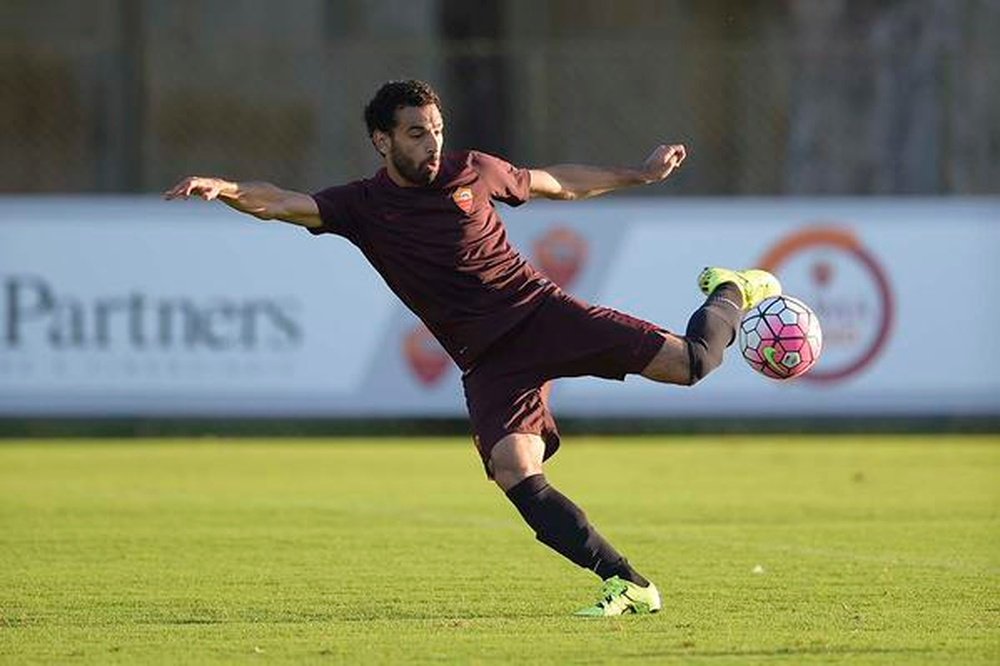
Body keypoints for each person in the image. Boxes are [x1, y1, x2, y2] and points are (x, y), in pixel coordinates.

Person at [164, 79, 780, 617]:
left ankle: (733, 287)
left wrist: (638, 174)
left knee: (692, 365)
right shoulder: (363, 206)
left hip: (542, 315)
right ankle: (630, 585)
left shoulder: (473, 171)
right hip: (488, 361)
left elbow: (556, 183)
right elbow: (280, 202)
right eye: (415, 134)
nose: (432, 143)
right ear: (382, 141)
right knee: (515, 471)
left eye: (435, 129)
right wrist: (228, 188)